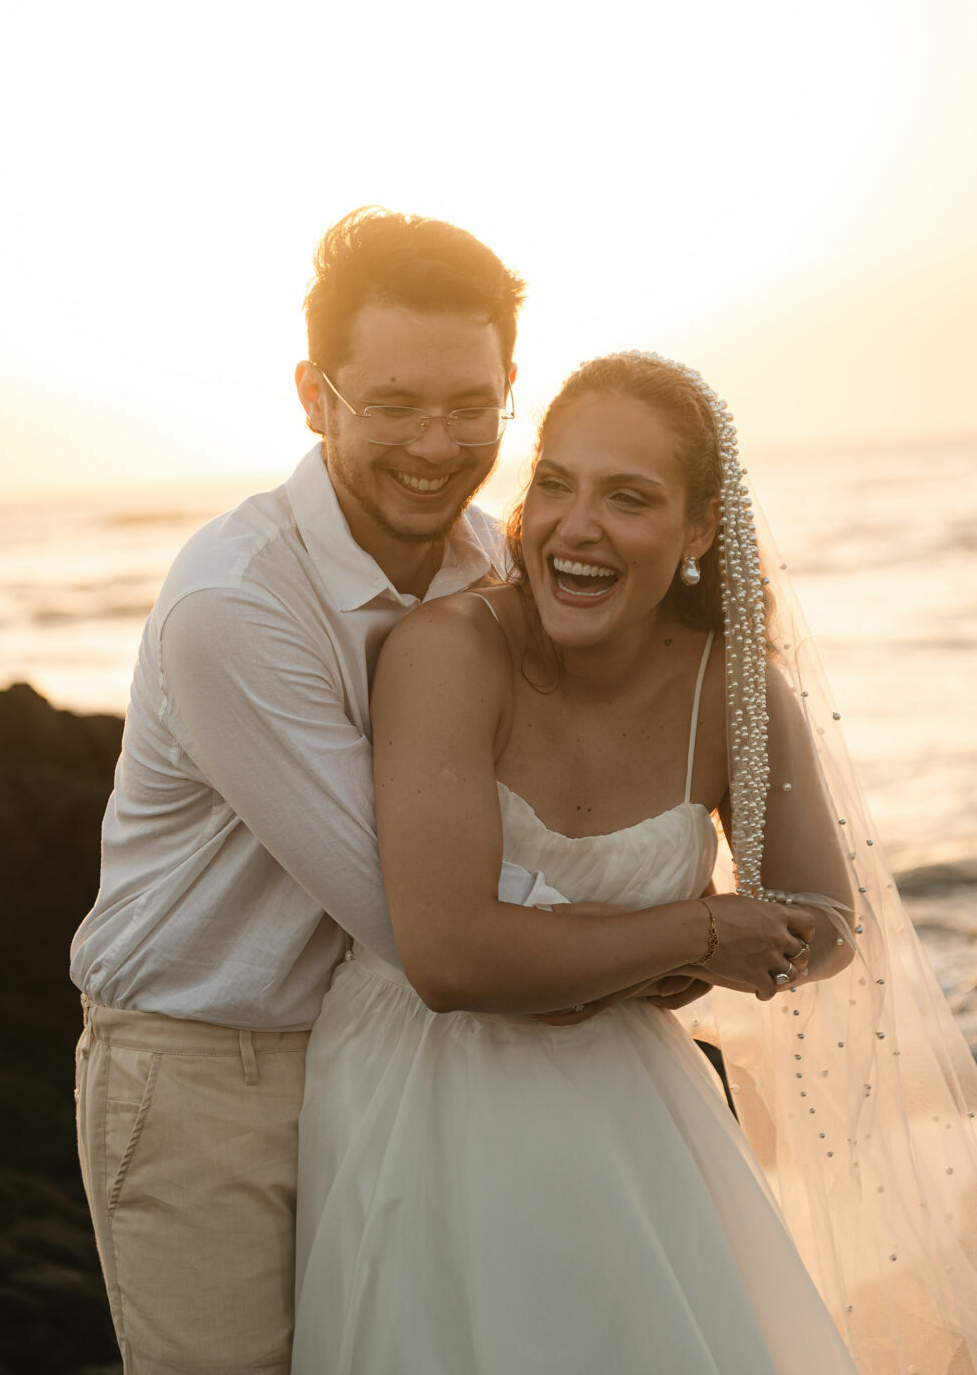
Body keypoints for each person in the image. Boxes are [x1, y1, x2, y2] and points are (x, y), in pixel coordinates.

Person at [292, 352, 977, 1375]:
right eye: (555, 483)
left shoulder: (732, 691)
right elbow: (450, 960)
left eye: (628, 497)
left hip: (634, 1116)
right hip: (419, 1109)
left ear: (698, 529)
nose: (576, 526)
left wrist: (727, 948)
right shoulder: (449, 648)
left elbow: (828, 921)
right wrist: (696, 932)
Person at [70, 206, 563, 1374]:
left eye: (469, 404)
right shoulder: (235, 601)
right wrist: (663, 940)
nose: (435, 443)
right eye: (392, 404)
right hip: (205, 1071)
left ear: (508, 391)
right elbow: (412, 910)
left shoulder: (499, 567)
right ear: (313, 395)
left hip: (396, 1055)